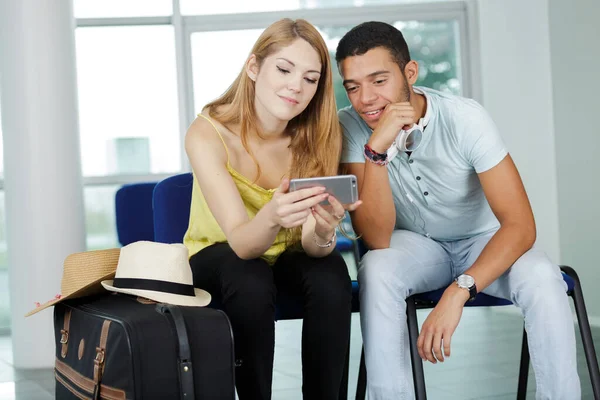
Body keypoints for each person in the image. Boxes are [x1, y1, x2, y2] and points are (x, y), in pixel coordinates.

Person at [335, 21, 580, 399]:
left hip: (486, 245)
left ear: (409, 72)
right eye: (353, 86)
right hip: (417, 247)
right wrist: (376, 153)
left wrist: (458, 291)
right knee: (377, 267)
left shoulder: (465, 118)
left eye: (378, 81)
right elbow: (378, 238)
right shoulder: (349, 126)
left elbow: (520, 226)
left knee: (544, 278)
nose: (365, 98)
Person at [183, 18, 361, 400]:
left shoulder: (318, 135)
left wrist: (326, 229)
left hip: (285, 256)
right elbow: (244, 245)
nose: (296, 86)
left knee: (330, 271)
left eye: (311, 79)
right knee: (247, 274)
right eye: (284, 69)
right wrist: (273, 215)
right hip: (221, 257)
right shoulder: (207, 133)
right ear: (253, 68)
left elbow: (312, 247)